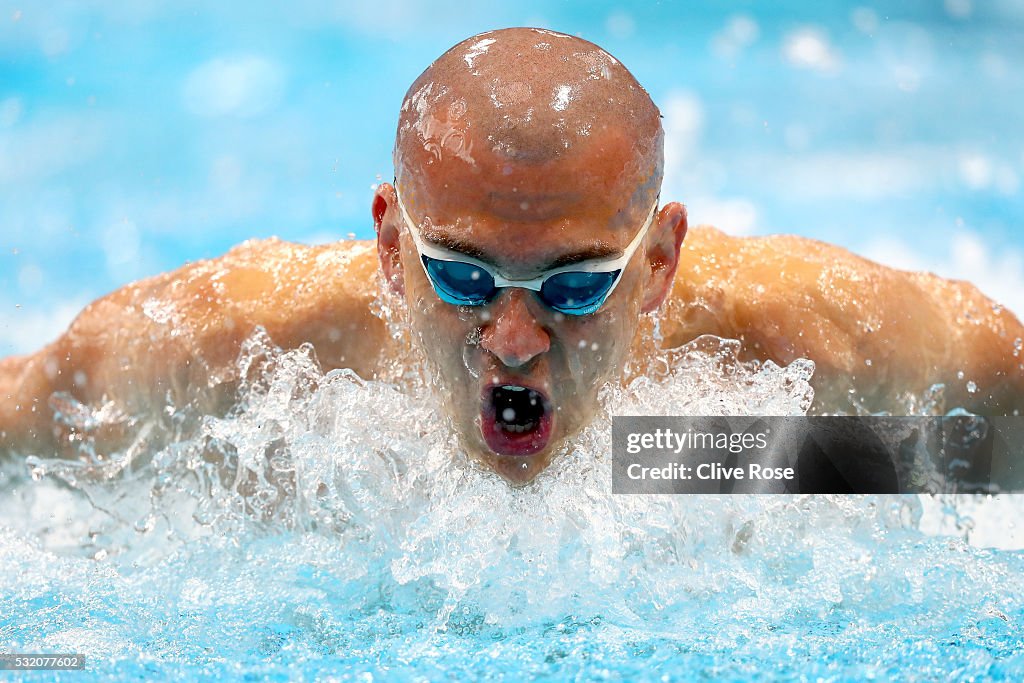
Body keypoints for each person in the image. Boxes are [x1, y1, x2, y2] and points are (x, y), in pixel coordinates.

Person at [1, 28, 1021, 485]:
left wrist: (803, 468)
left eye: (578, 284)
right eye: (463, 276)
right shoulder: (244, 355)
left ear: (660, 263)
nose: (517, 338)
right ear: (393, 249)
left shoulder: (774, 371)